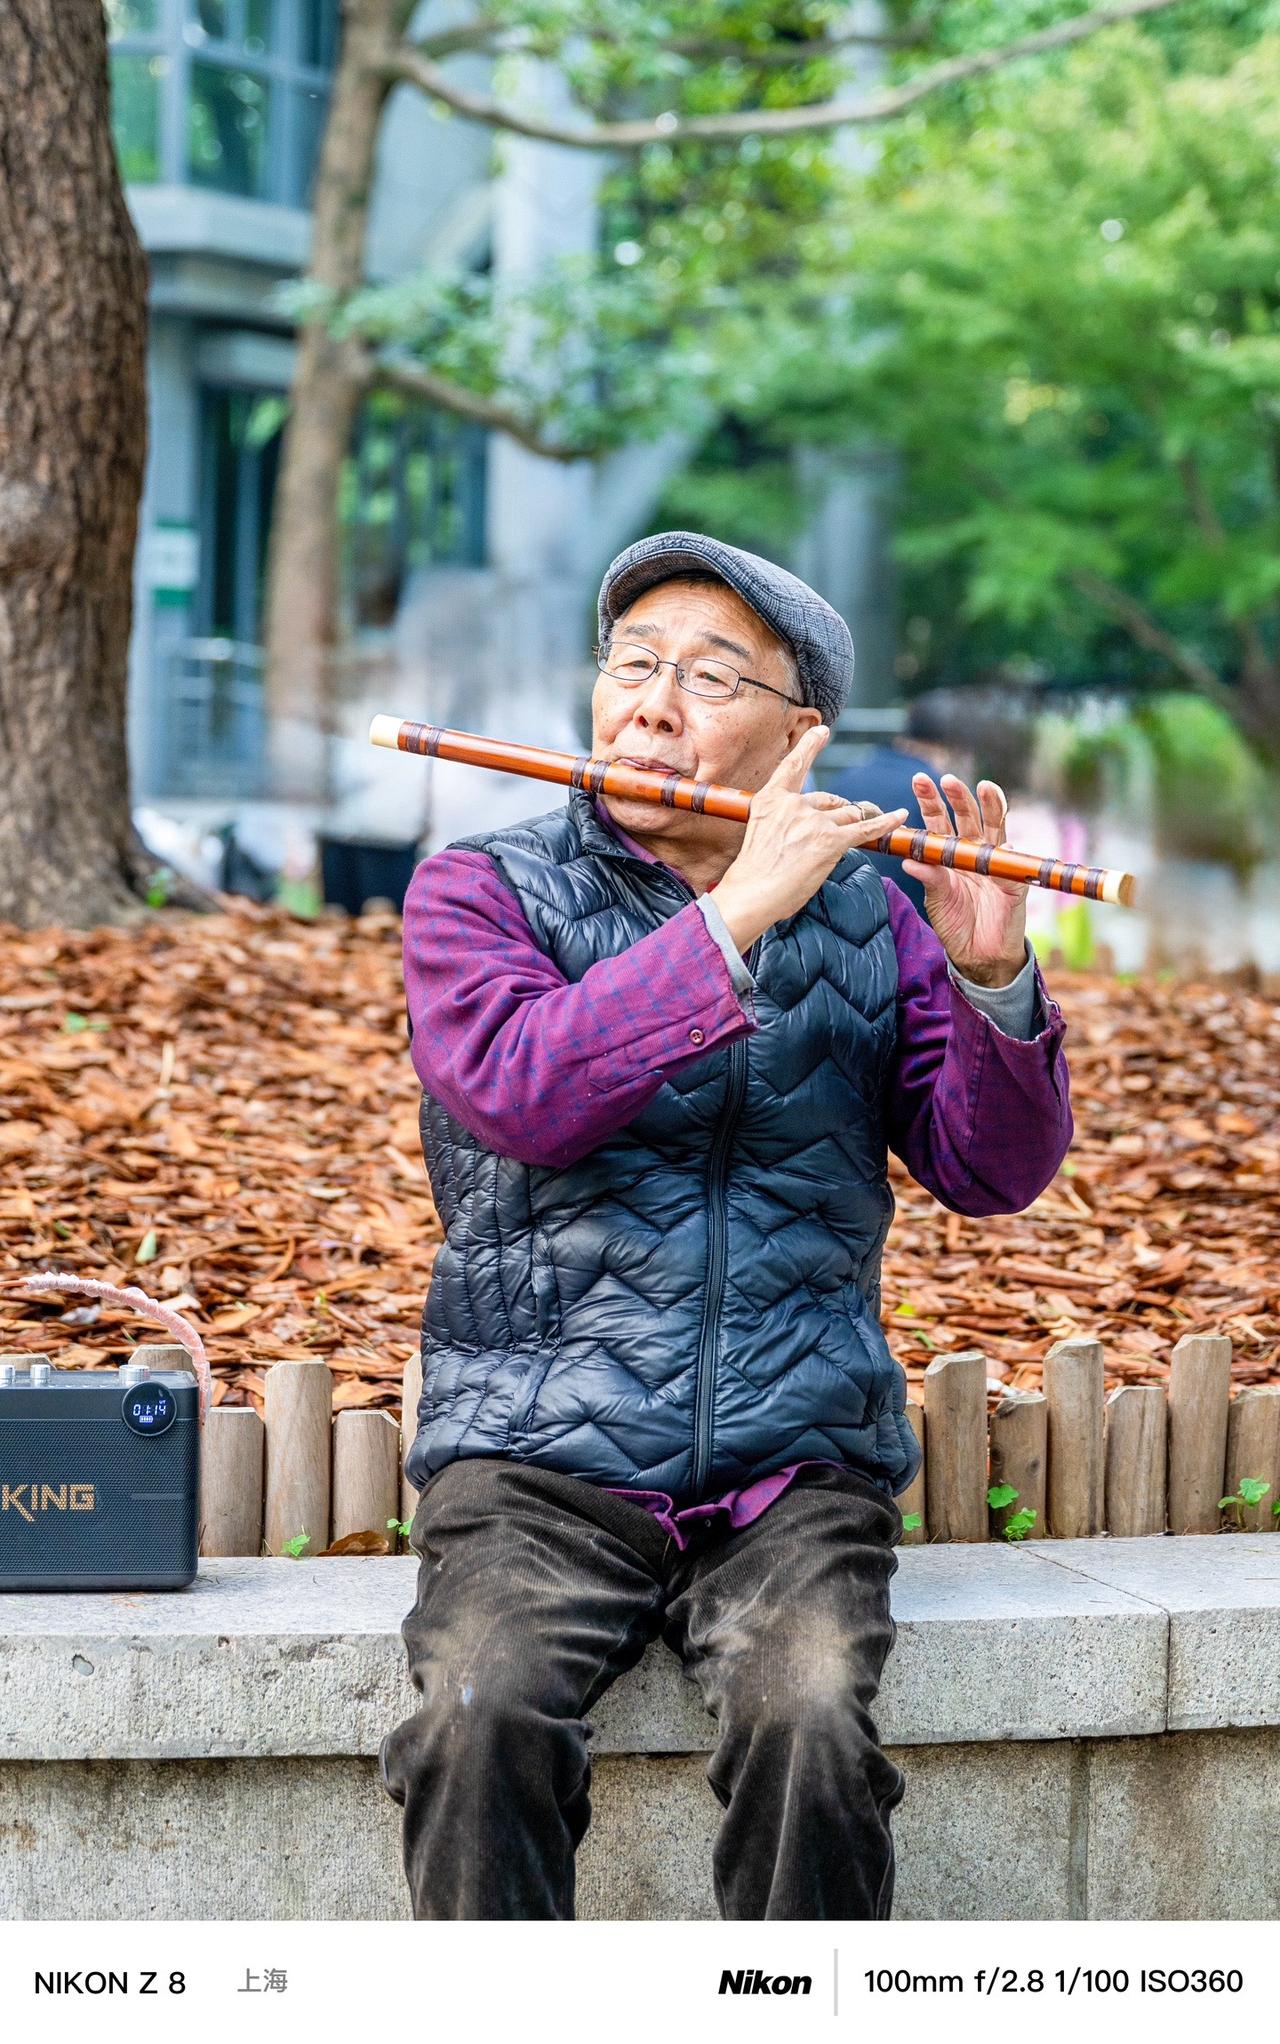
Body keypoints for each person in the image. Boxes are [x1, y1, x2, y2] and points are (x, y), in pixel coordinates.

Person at [379, 529, 1073, 1921]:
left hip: (792, 1464)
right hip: (534, 1454)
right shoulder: (485, 892)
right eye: (631, 665)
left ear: (799, 736)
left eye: (708, 677)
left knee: (810, 1722)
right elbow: (521, 1095)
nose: (651, 703)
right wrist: (741, 913)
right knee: (479, 1713)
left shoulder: (877, 921)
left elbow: (992, 1173)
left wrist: (995, 979)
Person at [827, 696, 977, 921]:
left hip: (835, 929)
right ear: (957, 749)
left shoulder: (847, 777)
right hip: (910, 940)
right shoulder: (941, 796)